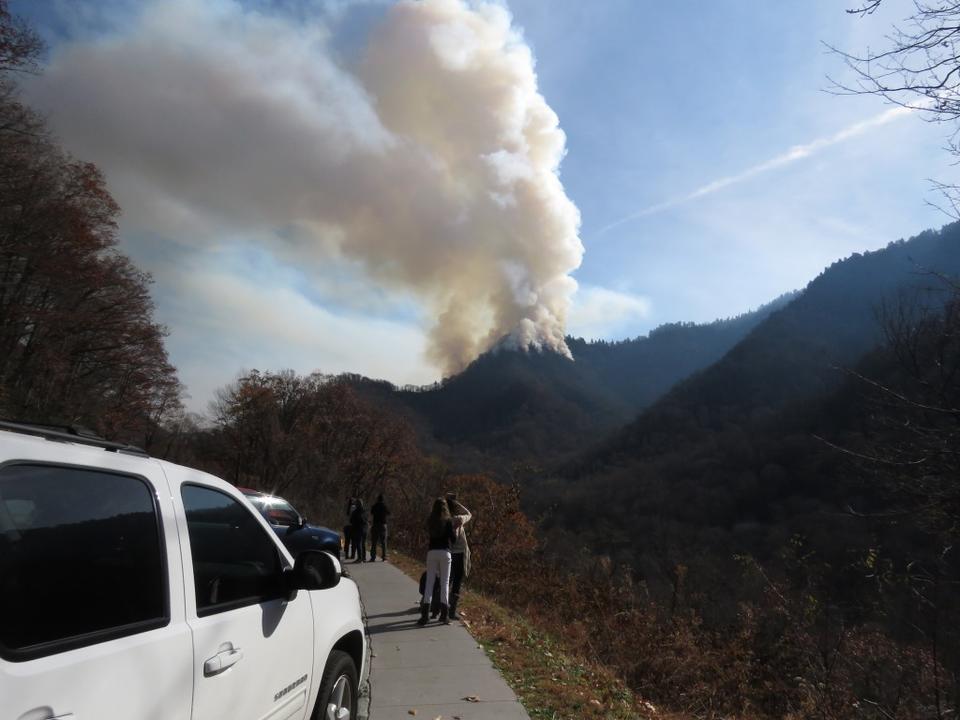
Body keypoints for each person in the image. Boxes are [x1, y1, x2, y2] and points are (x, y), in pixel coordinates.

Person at [417, 497, 455, 626]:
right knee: (444, 583)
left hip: (432, 552)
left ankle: (425, 615)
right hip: (445, 552)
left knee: (429, 583)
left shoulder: (430, 520)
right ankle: (444, 615)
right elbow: (453, 539)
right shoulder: (448, 521)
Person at [446, 492, 471, 620]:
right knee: (456, 582)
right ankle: (452, 610)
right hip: (460, 554)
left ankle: (439, 606)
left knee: (447, 580)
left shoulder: (444, 520)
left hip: (448, 553)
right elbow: (469, 514)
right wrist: (457, 503)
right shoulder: (459, 519)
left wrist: (447, 502)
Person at [369, 493, 390, 561]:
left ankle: (373, 557)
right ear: (383, 499)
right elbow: (389, 513)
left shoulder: (375, 506)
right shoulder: (384, 506)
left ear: (377, 499)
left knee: (374, 542)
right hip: (383, 525)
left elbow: (371, 512)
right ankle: (384, 557)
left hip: (375, 524)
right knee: (383, 542)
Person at [350, 499, 367, 563]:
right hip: (365, 529)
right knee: (363, 544)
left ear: (357, 505)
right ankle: (364, 558)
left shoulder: (355, 512)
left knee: (358, 543)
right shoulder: (365, 511)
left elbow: (351, 521)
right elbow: (367, 520)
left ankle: (360, 558)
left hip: (358, 529)